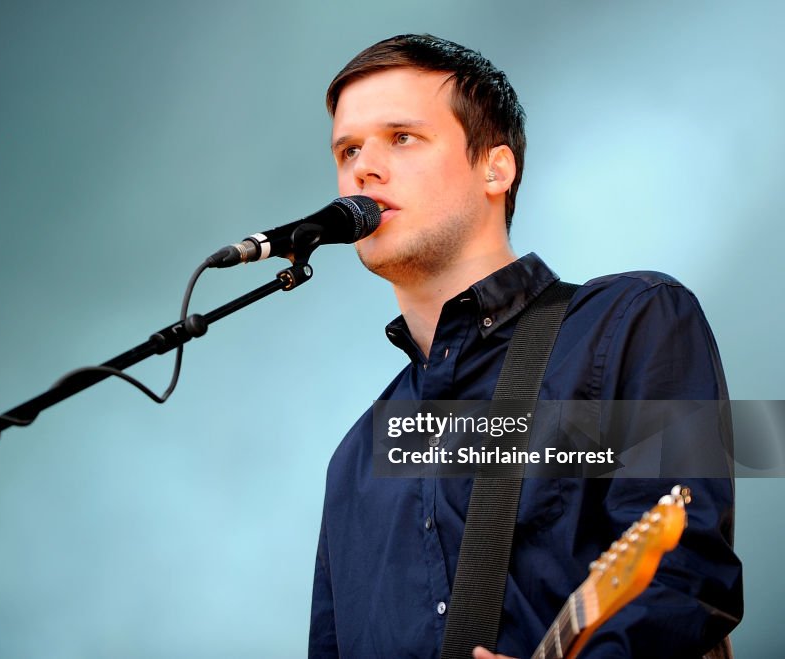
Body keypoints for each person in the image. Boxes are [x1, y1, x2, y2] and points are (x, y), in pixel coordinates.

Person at [308, 34, 743, 658]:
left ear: (495, 166)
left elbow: (687, 575)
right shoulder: (356, 462)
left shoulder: (628, 322)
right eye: (348, 149)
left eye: (401, 137)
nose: (363, 169)